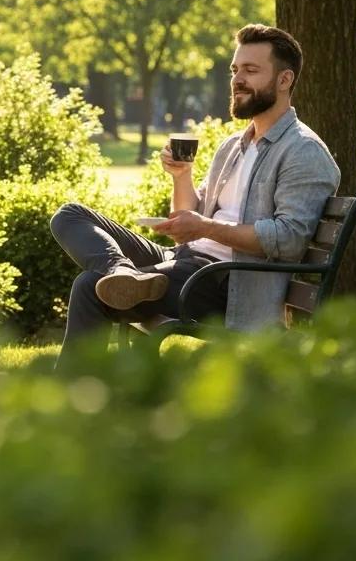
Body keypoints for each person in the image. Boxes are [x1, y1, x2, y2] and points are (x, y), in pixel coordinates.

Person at [50, 24, 340, 361]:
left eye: (251, 70)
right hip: (186, 262)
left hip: (224, 283)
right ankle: (119, 272)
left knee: (89, 287)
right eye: (235, 69)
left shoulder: (302, 151)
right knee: (70, 215)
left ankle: (75, 401)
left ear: (284, 80)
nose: (237, 79)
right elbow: (189, 219)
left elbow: (289, 240)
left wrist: (204, 227)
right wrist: (181, 176)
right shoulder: (234, 146)